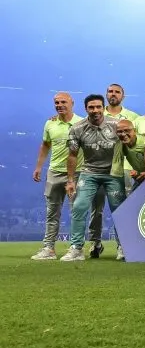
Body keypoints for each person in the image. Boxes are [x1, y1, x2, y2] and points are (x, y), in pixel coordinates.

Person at [61, 94, 126, 261]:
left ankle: (124, 246)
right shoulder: (77, 128)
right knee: (79, 206)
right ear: (86, 109)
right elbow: (73, 155)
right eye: (91, 107)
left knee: (119, 209)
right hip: (89, 173)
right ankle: (76, 248)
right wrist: (70, 181)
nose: (95, 110)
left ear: (103, 108)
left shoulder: (116, 125)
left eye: (98, 107)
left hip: (113, 173)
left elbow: (129, 145)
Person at [30, 92, 82, 260]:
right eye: (56, 102)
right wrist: (39, 167)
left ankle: (75, 248)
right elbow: (45, 145)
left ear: (72, 103)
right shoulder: (50, 123)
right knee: (52, 212)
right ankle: (49, 249)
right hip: (54, 172)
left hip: (76, 174)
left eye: (63, 102)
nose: (59, 105)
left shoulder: (82, 123)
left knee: (76, 212)